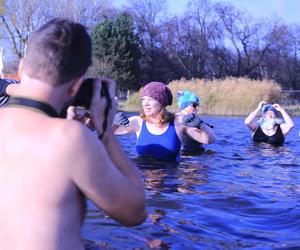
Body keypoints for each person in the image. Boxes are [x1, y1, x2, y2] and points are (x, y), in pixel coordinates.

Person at [0, 18, 146, 250]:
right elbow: (136, 212)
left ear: (21, 68)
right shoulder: (71, 139)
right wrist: (106, 134)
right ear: (76, 86)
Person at [113, 82, 216, 162]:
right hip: (143, 180)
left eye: (151, 100)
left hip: (168, 182)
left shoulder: (178, 122)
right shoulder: (138, 122)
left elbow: (209, 140)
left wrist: (201, 125)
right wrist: (113, 122)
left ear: (162, 103)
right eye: (144, 99)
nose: (146, 103)